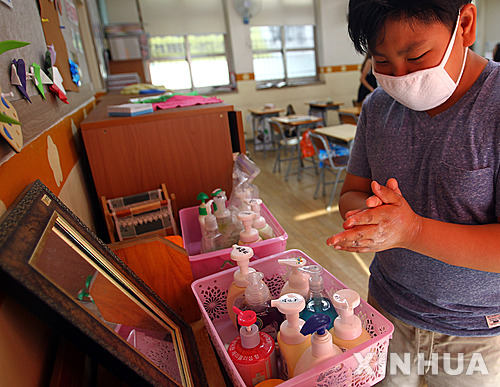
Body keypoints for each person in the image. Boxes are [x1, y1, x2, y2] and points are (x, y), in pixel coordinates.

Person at [327, 1, 500, 386]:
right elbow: (352, 192)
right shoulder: (377, 108)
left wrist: (412, 230)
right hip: (387, 312)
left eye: (417, 55)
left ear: (465, 24)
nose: (401, 77)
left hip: (475, 332)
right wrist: (372, 216)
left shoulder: (494, 108)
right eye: (382, 61)